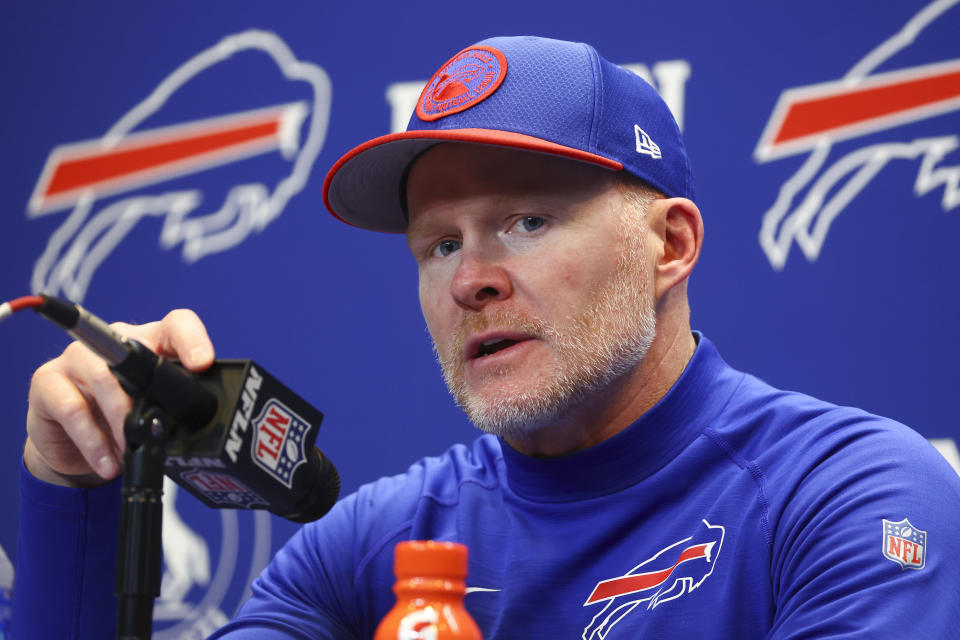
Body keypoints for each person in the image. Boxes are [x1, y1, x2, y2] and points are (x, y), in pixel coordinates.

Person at [15, 35, 960, 638]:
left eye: (529, 223)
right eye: (438, 245)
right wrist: (74, 493)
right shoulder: (372, 545)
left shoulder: (847, 493)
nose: (471, 279)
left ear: (669, 245)